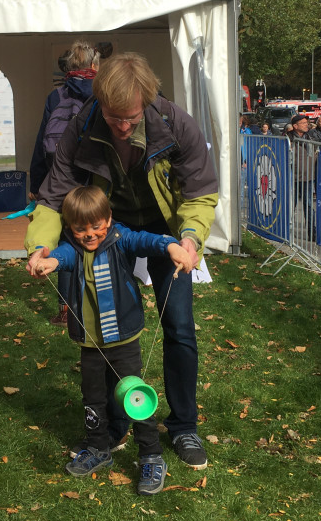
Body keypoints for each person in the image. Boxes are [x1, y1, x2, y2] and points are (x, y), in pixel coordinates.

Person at [25, 52, 218, 470]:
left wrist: (189, 237)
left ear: (147, 101)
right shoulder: (82, 127)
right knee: (106, 326)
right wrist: (39, 245)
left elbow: (200, 191)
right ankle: (116, 422)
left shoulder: (176, 123)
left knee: (179, 325)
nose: (124, 126)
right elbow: (55, 194)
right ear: (99, 102)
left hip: (167, 231)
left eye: (131, 118)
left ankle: (184, 425)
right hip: (108, 229)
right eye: (115, 118)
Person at [31, 186, 194, 494]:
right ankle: (97, 448)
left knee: (136, 398)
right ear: (70, 228)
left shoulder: (119, 239)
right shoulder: (72, 247)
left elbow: (146, 240)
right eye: (81, 229)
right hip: (90, 344)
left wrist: (171, 246)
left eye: (96, 226)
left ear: (108, 220)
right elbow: (62, 256)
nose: (90, 234)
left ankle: (151, 455)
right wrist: (50, 262)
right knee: (93, 398)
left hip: (123, 339)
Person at [29, 41, 101, 325]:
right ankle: (94, 302)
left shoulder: (56, 96)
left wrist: (37, 181)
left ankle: (66, 308)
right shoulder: (102, 93)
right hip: (94, 179)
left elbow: (41, 142)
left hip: (59, 179)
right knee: (95, 236)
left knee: (64, 241)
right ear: (94, 66)